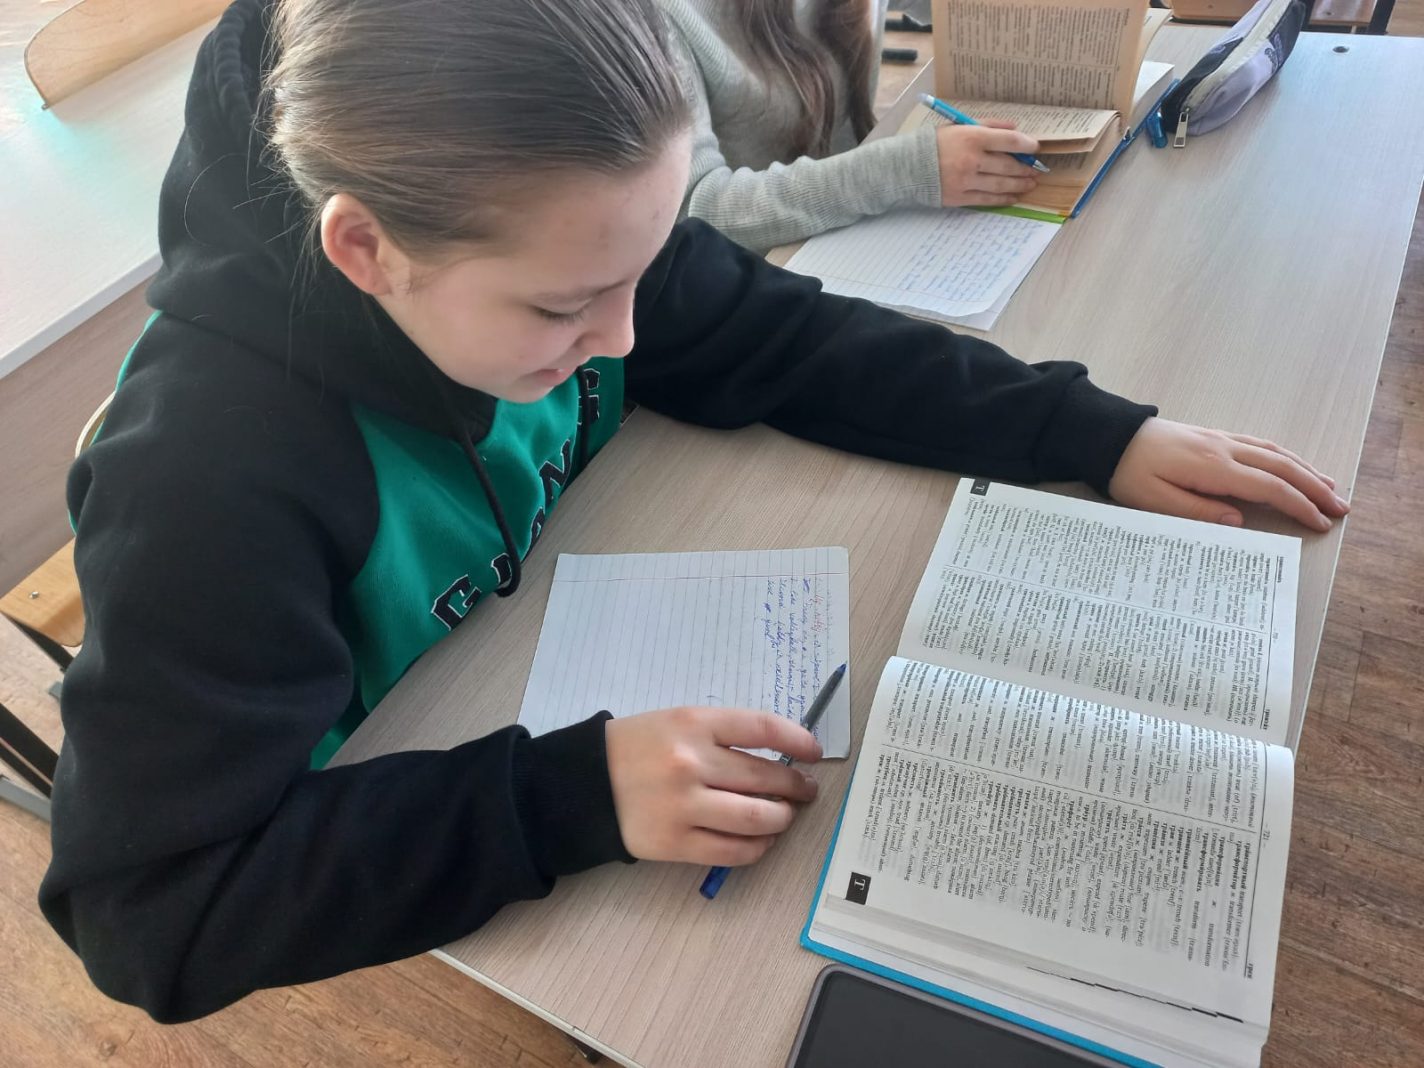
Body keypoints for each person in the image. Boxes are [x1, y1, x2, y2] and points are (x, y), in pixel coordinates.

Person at [39, 0, 1347, 1025]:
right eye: (564, 308)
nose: (624, 337)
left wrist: (1087, 433)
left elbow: (776, 336)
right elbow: (150, 910)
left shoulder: (562, 218)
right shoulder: (208, 477)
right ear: (365, 251)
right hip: (398, 883)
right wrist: (566, 797)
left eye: (644, 266)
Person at [658, 0, 1043, 251]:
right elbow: (696, 211)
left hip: (854, 233)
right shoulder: (656, 15)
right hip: (758, 275)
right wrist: (906, 169)